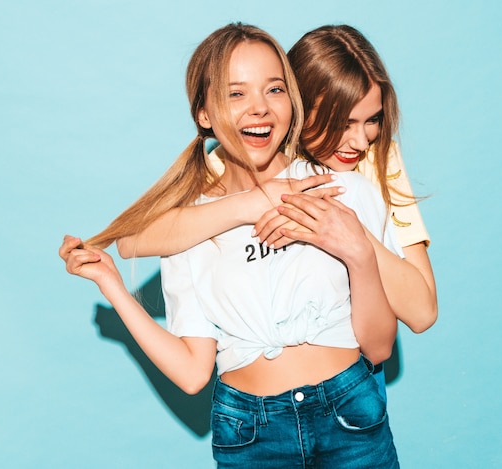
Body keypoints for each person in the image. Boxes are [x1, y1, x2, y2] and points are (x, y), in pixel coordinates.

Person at [60, 23, 400, 467]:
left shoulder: (339, 188)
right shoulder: (188, 228)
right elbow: (191, 372)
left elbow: (378, 348)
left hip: (350, 419)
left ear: (291, 100)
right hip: (251, 434)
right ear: (204, 113)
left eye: (274, 89)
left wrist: (359, 253)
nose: (259, 108)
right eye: (235, 94)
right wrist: (113, 288)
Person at [114, 25, 437, 398]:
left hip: (353, 376)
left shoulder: (377, 159)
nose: (359, 140)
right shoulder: (241, 155)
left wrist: (342, 229)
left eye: (372, 120)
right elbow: (133, 240)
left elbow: (422, 311)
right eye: (341, 123)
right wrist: (256, 201)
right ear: (299, 105)